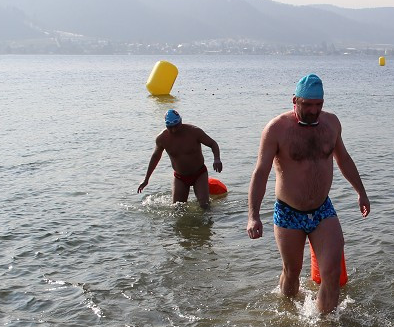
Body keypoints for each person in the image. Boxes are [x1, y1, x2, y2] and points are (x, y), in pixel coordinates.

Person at [246, 74, 370, 313]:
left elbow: (343, 159)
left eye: (318, 105)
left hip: (323, 209)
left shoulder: (331, 124)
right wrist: (253, 215)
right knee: (292, 273)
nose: (314, 111)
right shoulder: (277, 129)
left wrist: (361, 192)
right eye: (307, 105)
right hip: (288, 213)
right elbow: (260, 172)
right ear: (295, 100)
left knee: (332, 274)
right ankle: (289, 318)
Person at [137, 109, 223, 210]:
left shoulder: (194, 132)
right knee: (177, 209)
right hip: (180, 177)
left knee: (205, 206)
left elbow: (213, 144)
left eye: (176, 126)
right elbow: (155, 157)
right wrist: (146, 179)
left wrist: (217, 159)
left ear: (181, 121)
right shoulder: (162, 138)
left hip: (199, 174)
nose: (173, 130)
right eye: (170, 127)